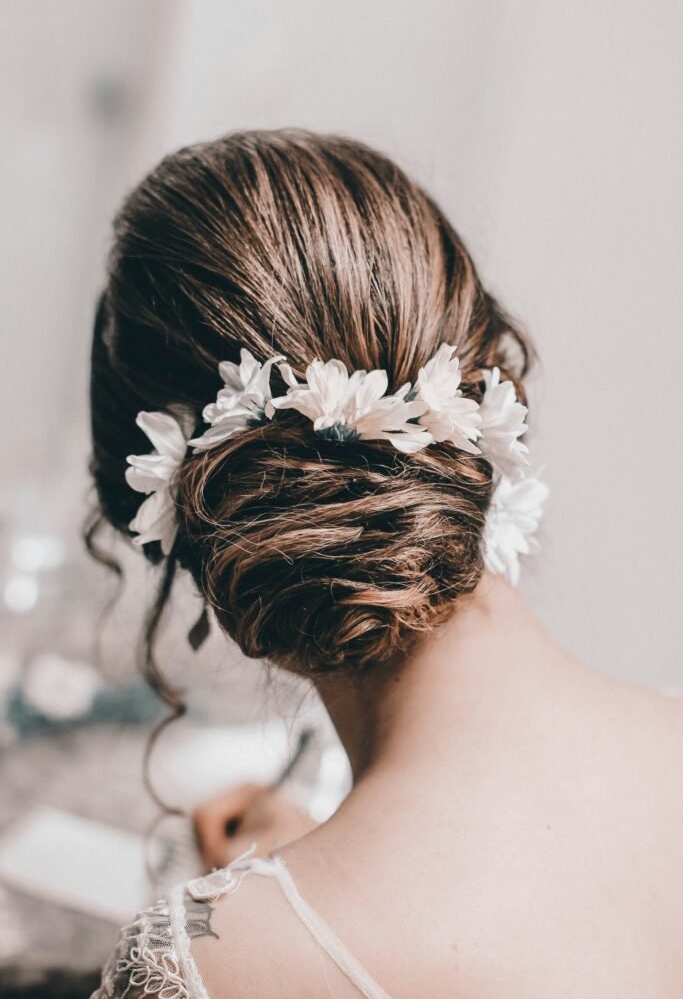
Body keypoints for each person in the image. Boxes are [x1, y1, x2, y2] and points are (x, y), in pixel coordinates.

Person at [88, 131, 682, 998]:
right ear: (488, 381)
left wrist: (281, 914)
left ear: (161, 505)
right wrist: (308, 869)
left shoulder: (217, 966)